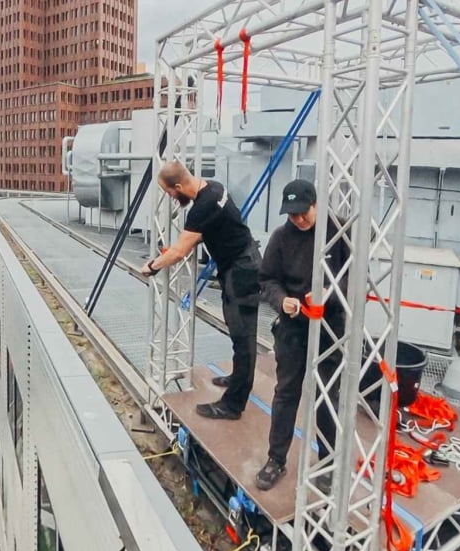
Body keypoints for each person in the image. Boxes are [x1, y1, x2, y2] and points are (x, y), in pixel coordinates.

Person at [140, 161, 261, 420]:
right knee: (237, 331)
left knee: (243, 336)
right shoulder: (214, 189)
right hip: (238, 265)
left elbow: (180, 250)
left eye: (170, 192)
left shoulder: (202, 208)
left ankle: (233, 405)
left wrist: (152, 266)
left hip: (242, 269)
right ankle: (238, 377)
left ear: (179, 186)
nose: (171, 197)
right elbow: (201, 234)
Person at [254, 179, 350, 490]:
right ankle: (275, 459)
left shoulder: (340, 233)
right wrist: (282, 300)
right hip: (293, 327)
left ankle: (329, 461)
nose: (297, 219)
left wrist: (330, 295)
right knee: (286, 393)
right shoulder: (281, 237)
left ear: (316, 205)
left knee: (327, 396)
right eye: (292, 214)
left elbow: (355, 277)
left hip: (330, 327)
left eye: (302, 213)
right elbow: (267, 279)